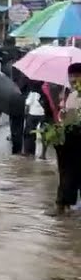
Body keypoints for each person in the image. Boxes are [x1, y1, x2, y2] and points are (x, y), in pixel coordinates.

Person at [52, 63, 81, 214]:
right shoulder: (70, 94)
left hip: (77, 139)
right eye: (71, 76)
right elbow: (65, 118)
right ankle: (64, 204)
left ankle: (64, 205)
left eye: (76, 76)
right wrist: (62, 111)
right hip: (67, 139)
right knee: (66, 172)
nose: (73, 79)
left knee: (71, 173)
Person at [24, 82, 46, 159]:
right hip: (44, 113)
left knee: (29, 133)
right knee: (44, 134)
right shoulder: (46, 89)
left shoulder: (33, 90)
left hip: (33, 113)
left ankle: (29, 152)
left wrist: (26, 111)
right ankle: (43, 154)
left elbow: (28, 102)